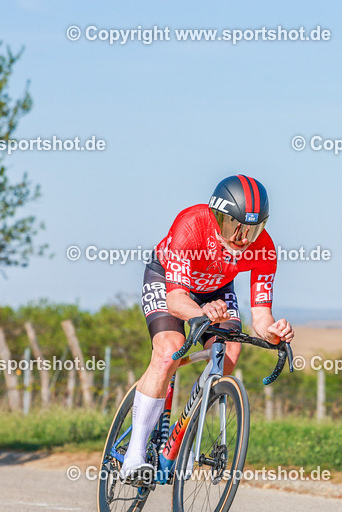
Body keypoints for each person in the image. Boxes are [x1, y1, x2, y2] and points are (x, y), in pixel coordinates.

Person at [121, 175, 295, 483]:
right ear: (217, 217)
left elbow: (261, 316)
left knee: (231, 348)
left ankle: (185, 436)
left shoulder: (264, 250)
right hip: (168, 282)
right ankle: (133, 458)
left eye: (252, 230)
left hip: (215, 289)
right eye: (234, 227)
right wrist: (200, 312)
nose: (242, 238)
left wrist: (273, 333)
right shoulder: (191, 224)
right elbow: (175, 300)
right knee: (168, 351)